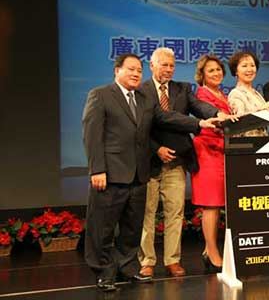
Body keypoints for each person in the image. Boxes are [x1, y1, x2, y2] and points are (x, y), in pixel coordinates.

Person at [82, 53, 218, 292]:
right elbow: (92, 136)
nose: (136, 74)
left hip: (139, 173)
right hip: (111, 174)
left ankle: (127, 268)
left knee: (132, 227)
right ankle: (103, 272)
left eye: (139, 70)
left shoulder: (143, 99)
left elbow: (166, 117)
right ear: (117, 71)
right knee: (103, 227)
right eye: (131, 69)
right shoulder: (101, 95)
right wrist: (97, 169)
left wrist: (199, 123)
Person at [138, 48, 227, 279]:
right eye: (164, 65)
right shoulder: (141, 91)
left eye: (172, 65)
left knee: (175, 212)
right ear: (152, 65)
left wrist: (217, 112)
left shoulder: (182, 89)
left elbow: (199, 106)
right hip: (150, 160)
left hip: (177, 161)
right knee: (147, 213)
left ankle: (172, 260)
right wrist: (157, 148)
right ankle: (147, 261)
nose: (168, 69)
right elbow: (139, 127)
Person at [191, 54, 232, 272]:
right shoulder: (201, 94)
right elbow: (211, 120)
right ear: (202, 75)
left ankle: (209, 251)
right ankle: (213, 253)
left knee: (218, 204)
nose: (216, 73)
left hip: (223, 151)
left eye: (218, 69)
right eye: (211, 70)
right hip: (208, 151)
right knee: (211, 204)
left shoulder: (222, 94)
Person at [228, 50, 269, 136]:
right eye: (244, 66)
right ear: (236, 71)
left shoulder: (257, 94)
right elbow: (240, 119)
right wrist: (261, 110)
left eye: (252, 65)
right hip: (246, 142)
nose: (249, 69)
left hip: (262, 140)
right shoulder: (235, 93)